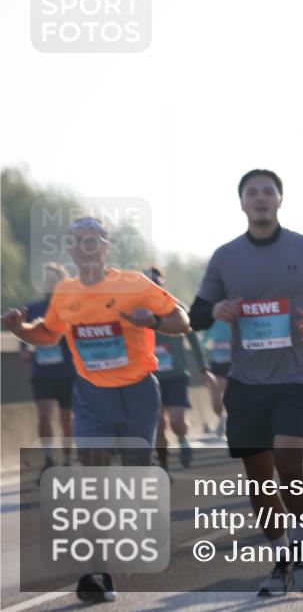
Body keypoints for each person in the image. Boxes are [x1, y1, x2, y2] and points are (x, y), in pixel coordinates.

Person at [2, 216, 191, 603]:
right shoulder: (66, 292)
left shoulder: (134, 284)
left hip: (138, 392)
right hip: (91, 396)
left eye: (93, 241)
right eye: (78, 241)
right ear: (70, 249)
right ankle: (97, 573)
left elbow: (182, 320)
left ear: (106, 248)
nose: (85, 247)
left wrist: (153, 320)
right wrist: (22, 330)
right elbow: (48, 333)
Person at [188, 169, 303, 595]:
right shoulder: (225, 257)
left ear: (280, 200)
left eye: (268, 192)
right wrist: (218, 308)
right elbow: (196, 315)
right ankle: (281, 560)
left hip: (296, 375)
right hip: (246, 380)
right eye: (252, 193)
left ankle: (301, 551)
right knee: (259, 479)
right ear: (242, 203)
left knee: (288, 462)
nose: (260, 199)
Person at [146, 267, 218, 471]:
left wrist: (204, 369)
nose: (153, 287)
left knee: (177, 420)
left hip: (176, 375)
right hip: (151, 377)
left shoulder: (177, 308)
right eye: (148, 283)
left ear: (163, 284)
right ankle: (163, 466)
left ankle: (183, 440)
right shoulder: (138, 311)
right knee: (159, 425)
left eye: (156, 283)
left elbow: (194, 341)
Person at [20, 263, 75, 474]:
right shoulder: (33, 309)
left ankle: (68, 458)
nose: (50, 283)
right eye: (47, 279)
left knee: (66, 419)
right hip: (42, 373)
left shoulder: (71, 307)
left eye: (55, 279)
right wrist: (26, 351)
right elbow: (24, 342)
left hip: (67, 373)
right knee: (43, 415)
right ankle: (49, 459)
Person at [201, 319, 232, 436]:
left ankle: (230, 421)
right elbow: (202, 342)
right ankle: (222, 418)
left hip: (237, 364)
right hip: (217, 364)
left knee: (233, 396)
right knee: (216, 401)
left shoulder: (236, 317)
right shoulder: (212, 320)